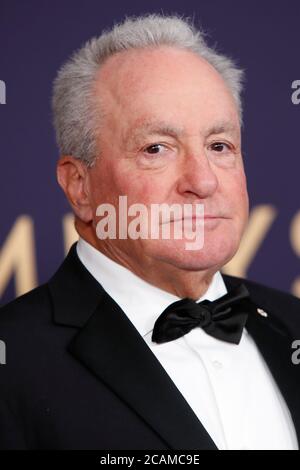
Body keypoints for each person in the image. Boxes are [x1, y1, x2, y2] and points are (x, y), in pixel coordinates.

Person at [0, 13, 300, 451]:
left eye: (219, 146)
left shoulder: (292, 324)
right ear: (79, 187)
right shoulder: (12, 362)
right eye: (156, 148)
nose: (203, 181)